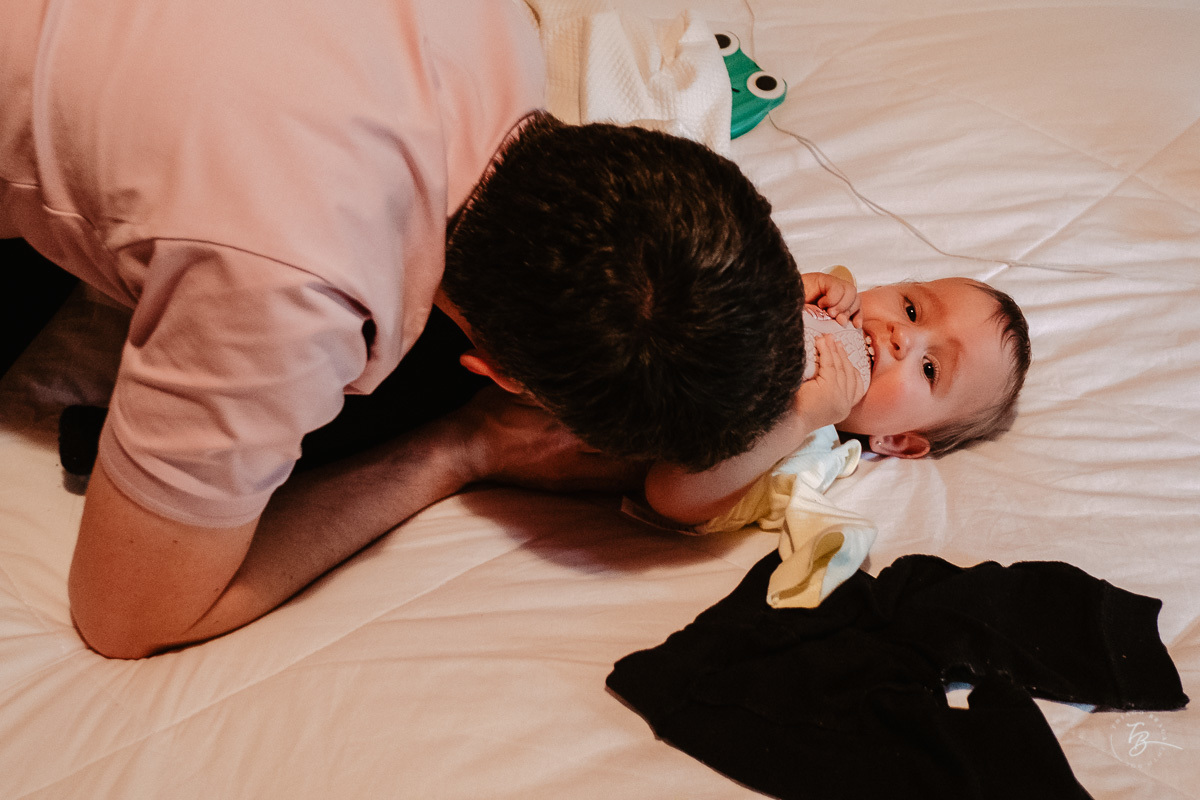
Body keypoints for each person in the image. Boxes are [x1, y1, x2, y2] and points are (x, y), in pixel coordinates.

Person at [1, 0, 808, 658]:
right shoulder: (290, 290)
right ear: (501, 374)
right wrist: (462, 450)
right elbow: (129, 616)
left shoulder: (498, 32)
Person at [643, 273, 1032, 525]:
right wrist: (785, 290)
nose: (903, 336)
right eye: (911, 309)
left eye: (930, 369)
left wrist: (799, 419)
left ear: (897, 439)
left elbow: (669, 494)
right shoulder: (821, 302)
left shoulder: (811, 452)